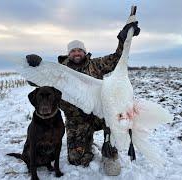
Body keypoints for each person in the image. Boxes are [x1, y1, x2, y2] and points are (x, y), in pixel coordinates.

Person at [26, 21, 140, 176]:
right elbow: (37, 80)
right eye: (73, 51)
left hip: (99, 114)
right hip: (76, 120)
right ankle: (86, 143)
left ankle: (109, 153)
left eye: (80, 50)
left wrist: (123, 39)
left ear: (85, 52)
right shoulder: (59, 71)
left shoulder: (96, 65)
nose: (77, 53)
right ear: (68, 53)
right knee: (77, 160)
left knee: (115, 119)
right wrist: (33, 67)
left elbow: (117, 58)